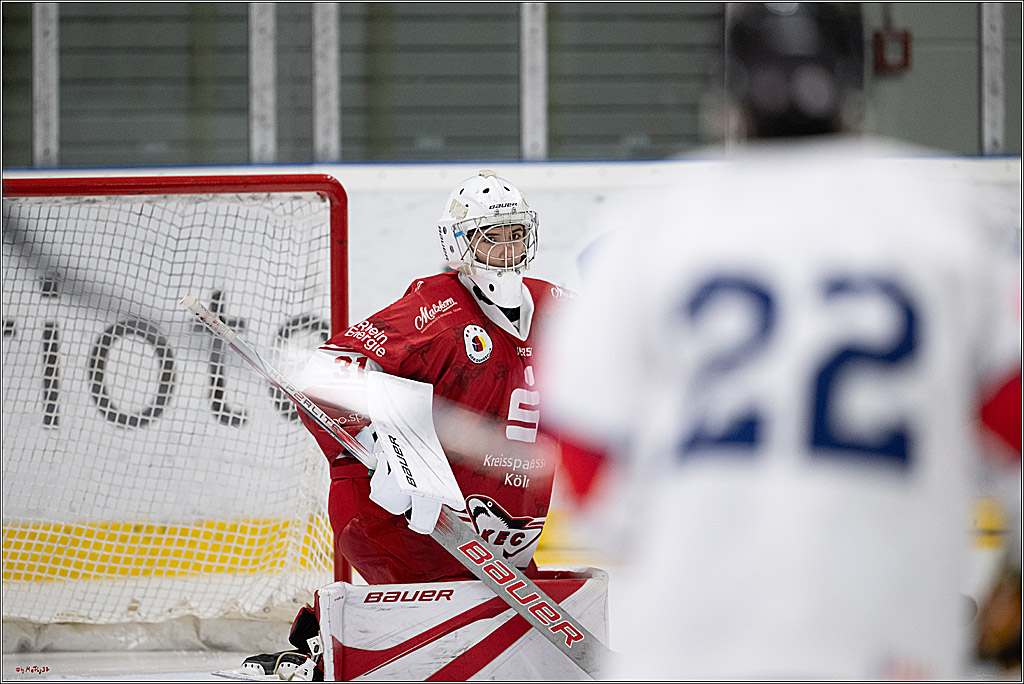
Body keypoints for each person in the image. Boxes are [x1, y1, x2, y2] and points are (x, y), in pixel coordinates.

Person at [539, 3, 1022, 680]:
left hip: (692, 643)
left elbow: (595, 482)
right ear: (858, 88)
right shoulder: (954, 220)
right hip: (886, 639)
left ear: (725, 92)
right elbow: (1012, 432)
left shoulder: (642, 234)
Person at [242, 170, 572, 678]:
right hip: (396, 509)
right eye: (491, 236)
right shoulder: (436, 310)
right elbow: (322, 375)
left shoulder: (558, 309)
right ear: (460, 243)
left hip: (495, 522)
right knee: (447, 635)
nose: (506, 249)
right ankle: (317, 654)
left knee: (510, 643)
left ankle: (328, 639)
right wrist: (384, 451)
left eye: (515, 234)